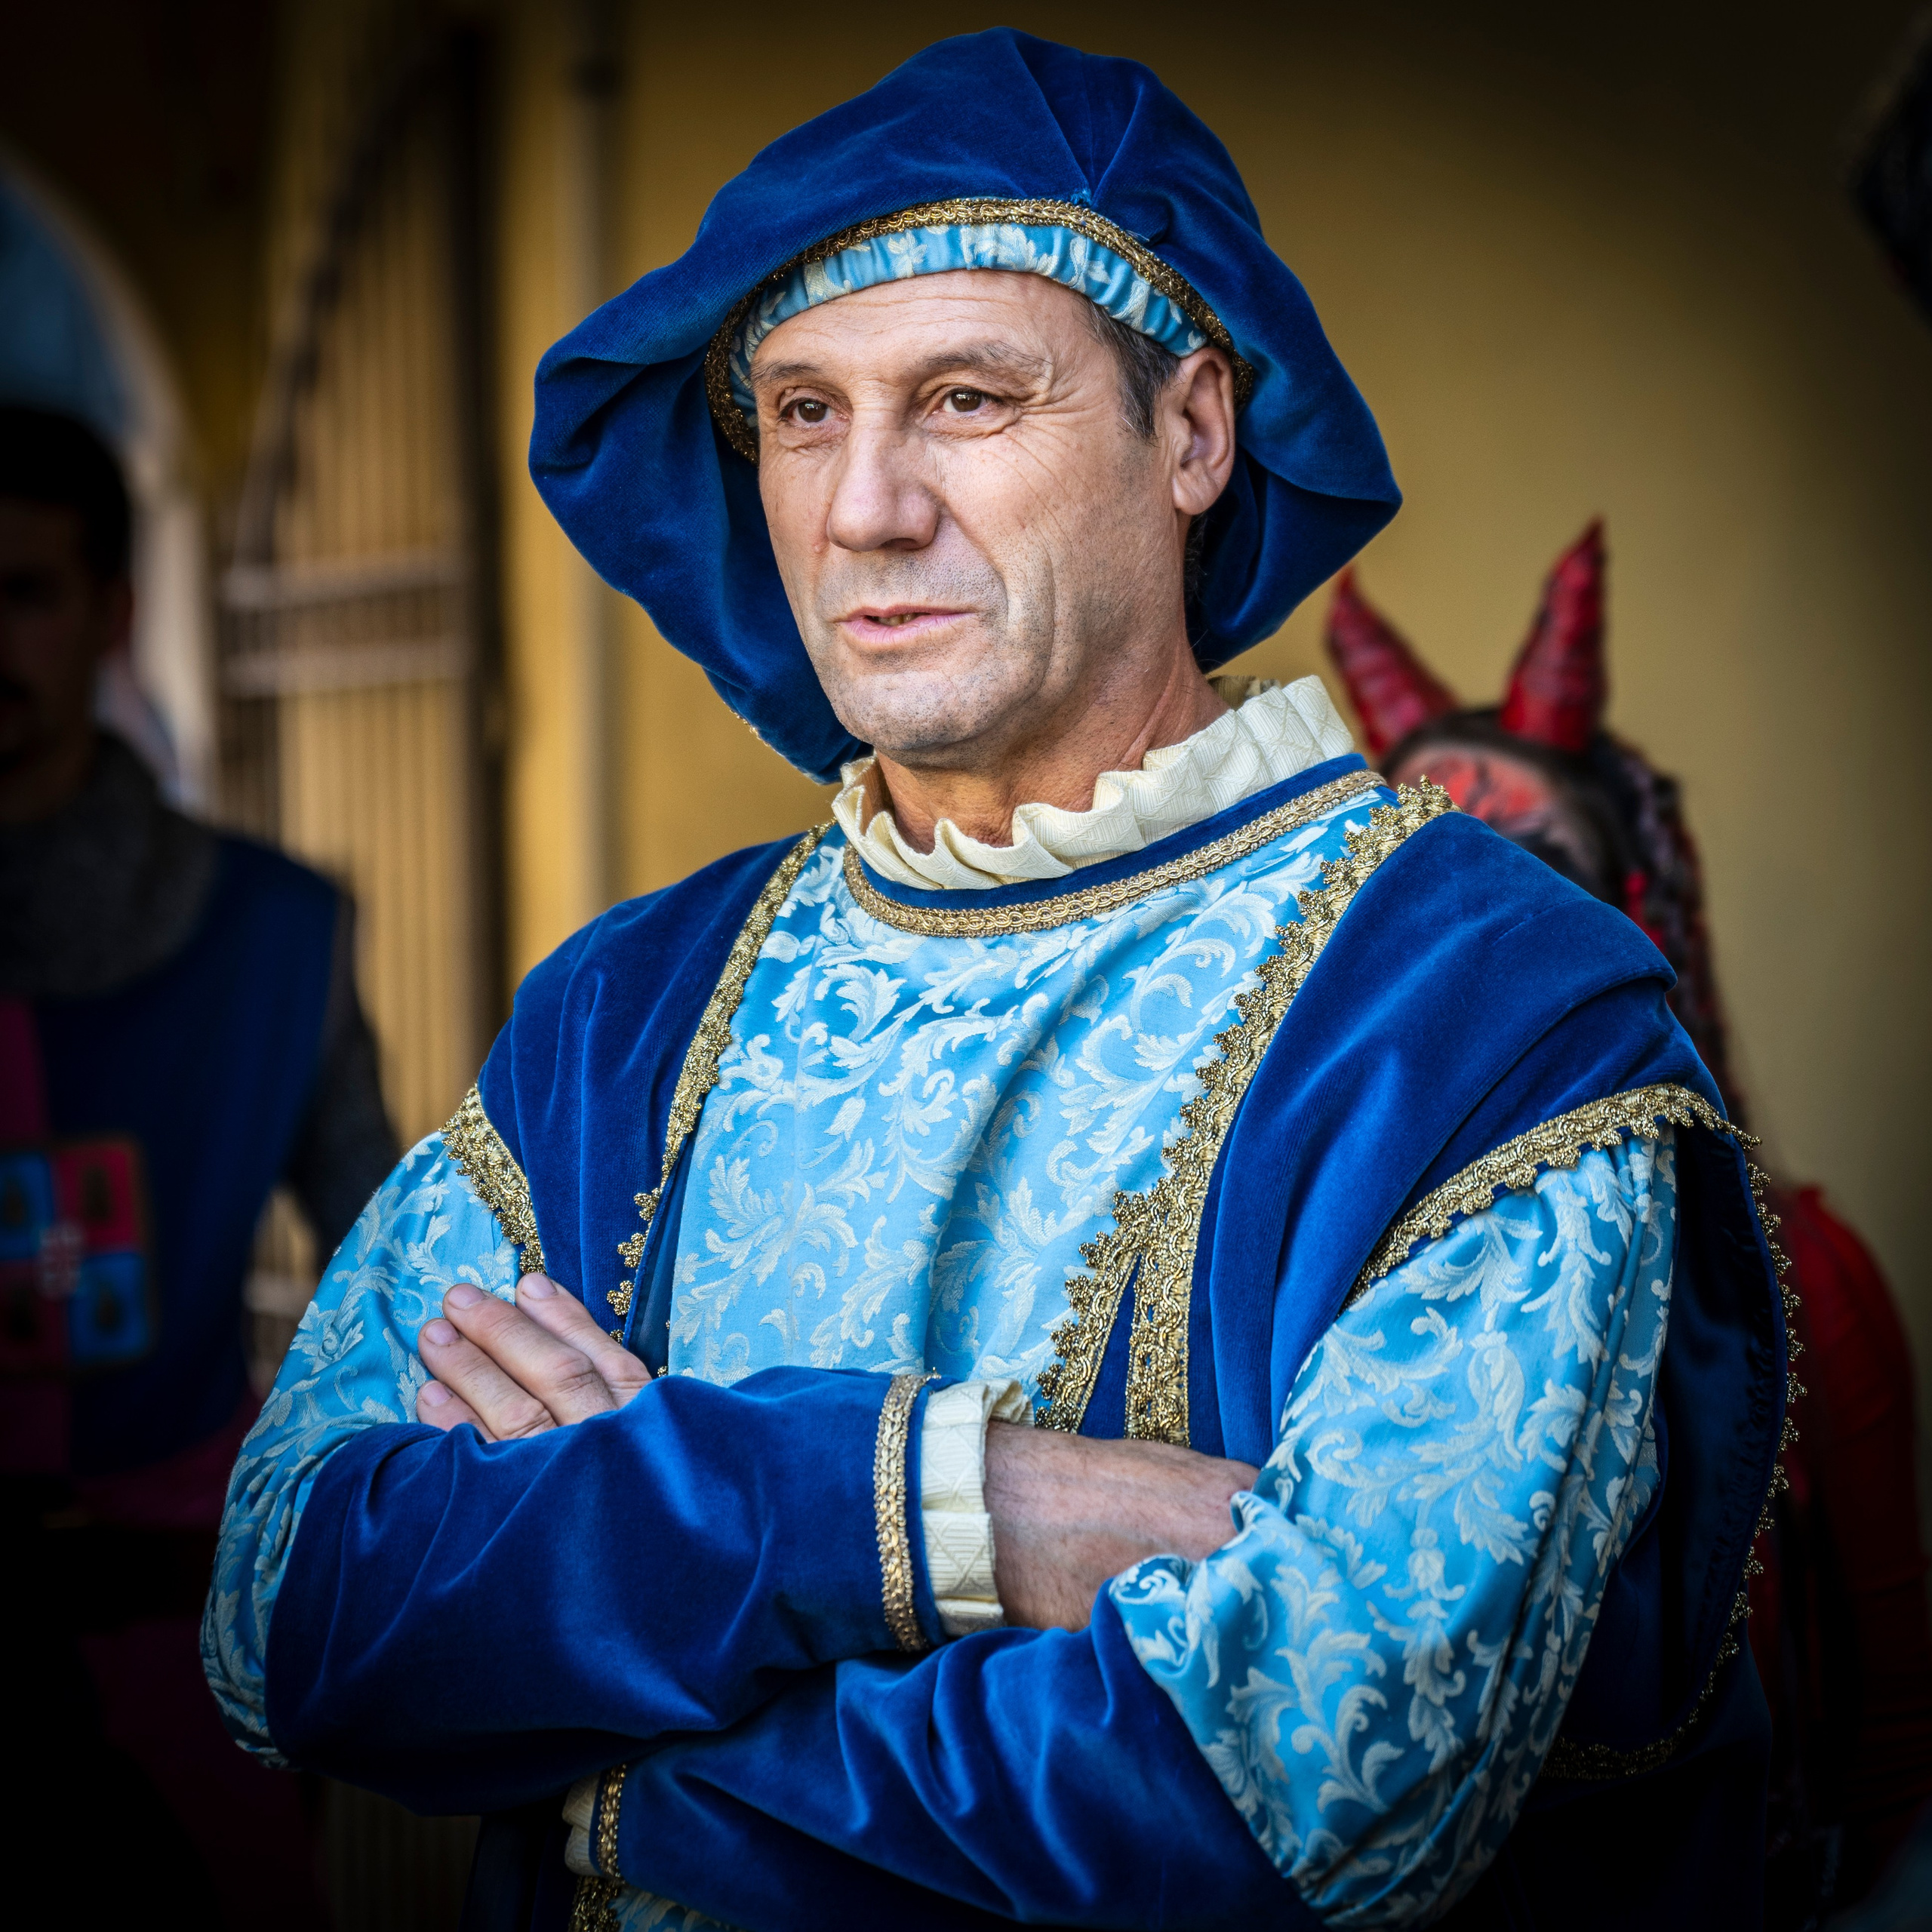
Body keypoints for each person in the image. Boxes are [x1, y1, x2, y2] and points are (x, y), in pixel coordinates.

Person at [207, 31, 1789, 1930]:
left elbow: (1318, 1782)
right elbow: (288, 1601)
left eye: (962, 396)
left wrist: (593, 1697)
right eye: (800, 412)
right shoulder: (627, 1006)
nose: (861, 506)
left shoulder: (1482, 1014)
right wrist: (955, 1501)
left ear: (1191, 431)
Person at [1327, 520, 1932, 1919]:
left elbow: (1895, 1744)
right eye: (1425, 884)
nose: (1478, 933)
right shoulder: (1293, 1280)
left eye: (1537, 871)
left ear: (1637, 914)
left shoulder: (1806, 1285)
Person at [0, 405, 397, 1927]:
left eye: (23, 593)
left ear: (108, 614)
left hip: (172, 1637)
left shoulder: (264, 934)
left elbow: (387, 1271)